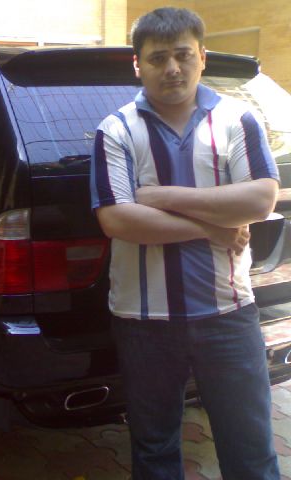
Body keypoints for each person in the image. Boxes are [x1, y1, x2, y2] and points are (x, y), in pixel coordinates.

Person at [90, 7, 281, 480]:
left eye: (183, 55)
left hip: (228, 315)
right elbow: (117, 218)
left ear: (202, 57)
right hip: (144, 322)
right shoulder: (116, 130)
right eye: (158, 58)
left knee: (252, 450)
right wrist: (212, 227)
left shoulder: (237, 120)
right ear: (138, 65)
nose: (172, 68)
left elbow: (259, 199)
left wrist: (161, 197)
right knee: (154, 451)